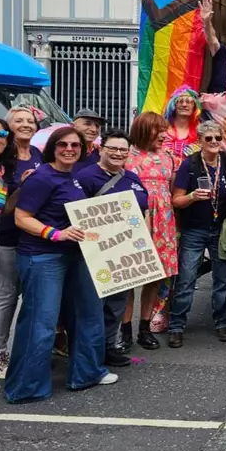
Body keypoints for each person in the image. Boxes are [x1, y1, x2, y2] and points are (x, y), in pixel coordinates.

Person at [5, 127, 118, 403]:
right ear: (52, 147)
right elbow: (22, 217)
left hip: (76, 255)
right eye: (63, 145)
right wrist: (54, 234)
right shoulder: (42, 177)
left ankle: (87, 373)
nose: (69, 149)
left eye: (75, 146)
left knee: (87, 314)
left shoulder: (74, 178)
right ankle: (26, 387)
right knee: (40, 322)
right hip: (42, 257)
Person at [75, 130, 149, 368]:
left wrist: (143, 242)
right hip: (95, 253)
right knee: (93, 305)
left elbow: (144, 211)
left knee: (116, 304)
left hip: (125, 253)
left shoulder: (132, 178)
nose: (118, 153)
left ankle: (108, 347)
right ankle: (89, 352)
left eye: (123, 150)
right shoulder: (85, 177)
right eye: (113, 148)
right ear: (100, 148)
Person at [168, 121, 226, 348]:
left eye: (218, 137)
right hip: (194, 229)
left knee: (223, 278)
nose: (215, 142)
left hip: (221, 228)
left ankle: (222, 322)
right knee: (187, 278)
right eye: (209, 139)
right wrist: (192, 197)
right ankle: (176, 325)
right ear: (200, 141)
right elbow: (176, 200)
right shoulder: (190, 164)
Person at [124, 112, 179, 350]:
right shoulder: (126, 155)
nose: (165, 135)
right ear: (145, 130)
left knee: (156, 276)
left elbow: (172, 189)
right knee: (128, 276)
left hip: (164, 221)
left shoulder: (168, 157)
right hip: (135, 219)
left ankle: (144, 327)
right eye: (159, 131)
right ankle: (124, 330)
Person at [0, 108, 39, 378]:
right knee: (7, 294)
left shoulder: (38, 154)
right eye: (18, 121)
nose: (25, 125)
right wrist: (22, 187)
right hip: (9, 237)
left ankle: (27, 352)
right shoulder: (5, 159)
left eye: (30, 121)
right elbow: (8, 207)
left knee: (32, 297)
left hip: (36, 239)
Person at [0, 118, 16, 379]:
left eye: (1, 132)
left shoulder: (4, 169)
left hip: (3, 237)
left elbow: (6, 210)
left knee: (4, 295)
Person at [162, 86, 202, 168]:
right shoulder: (161, 128)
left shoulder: (201, 131)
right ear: (173, 105)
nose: (184, 105)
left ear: (194, 106)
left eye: (188, 102)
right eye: (180, 101)